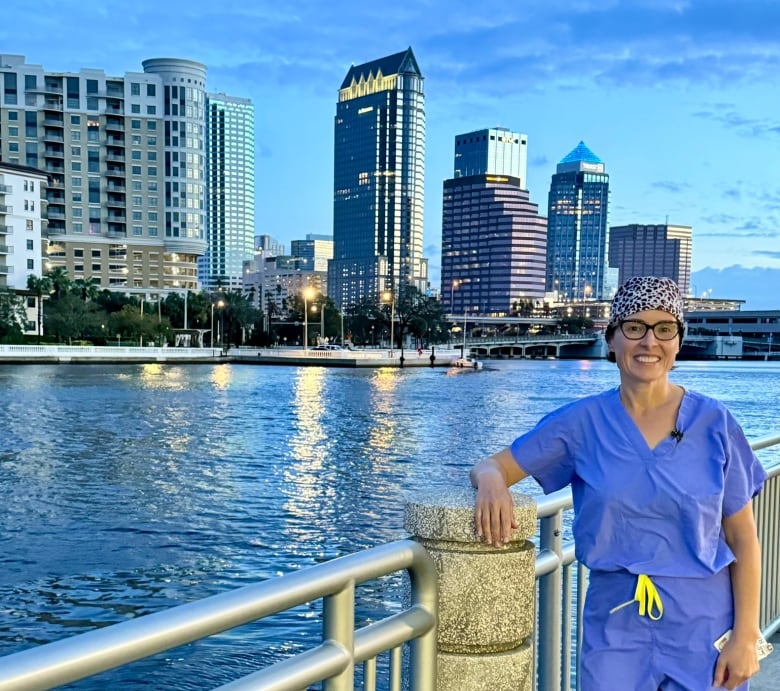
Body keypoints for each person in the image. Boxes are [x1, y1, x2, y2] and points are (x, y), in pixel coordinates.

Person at [470, 276, 767, 690]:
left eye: (664, 329)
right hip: (615, 626)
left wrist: (746, 636)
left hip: (705, 627)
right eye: (634, 328)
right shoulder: (581, 424)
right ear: (611, 339)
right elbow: (495, 466)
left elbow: (744, 539)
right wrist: (491, 484)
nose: (649, 342)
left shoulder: (714, 424)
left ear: (678, 341)